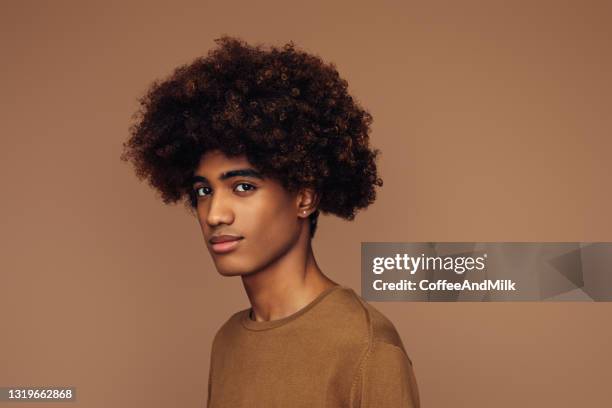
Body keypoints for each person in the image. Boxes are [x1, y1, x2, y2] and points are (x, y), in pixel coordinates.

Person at [121, 35, 420, 407]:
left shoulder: (367, 347)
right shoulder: (228, 340)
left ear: (304, 197)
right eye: (203, 191)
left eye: (243, 186)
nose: (214, 215)